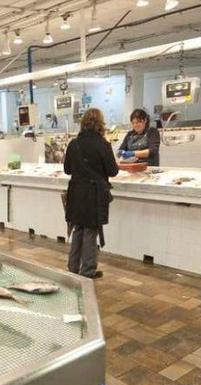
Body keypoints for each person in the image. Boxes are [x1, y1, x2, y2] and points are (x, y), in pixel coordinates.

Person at [63, 108, 119, 279]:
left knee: (78, 229)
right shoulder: (103, 144)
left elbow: (67, 169)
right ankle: (87, 271)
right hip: (94, 194)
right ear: (100, 124)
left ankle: (73, 268)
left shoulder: (74, 144)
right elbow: (113, 170)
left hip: (76, 193)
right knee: (90, 231)